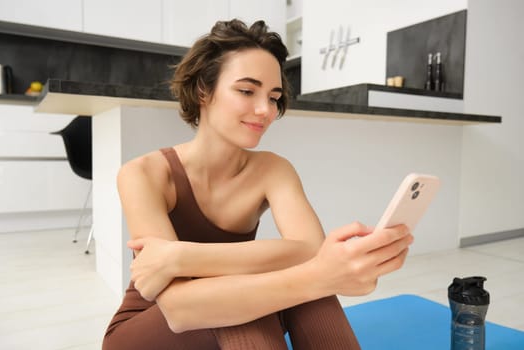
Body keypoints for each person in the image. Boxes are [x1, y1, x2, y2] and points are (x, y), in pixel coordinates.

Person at [102, 19, 413, 350]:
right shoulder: (143, 174)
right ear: (203, 91)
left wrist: (181, 255)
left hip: (223, 315)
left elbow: (311, 250)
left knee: (289, 292)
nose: (265, 110)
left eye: (274, 96)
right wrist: (319, 273)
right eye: (247, 91)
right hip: (149, 329)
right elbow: (180, 309)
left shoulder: (272, 169)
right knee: (255, 297)